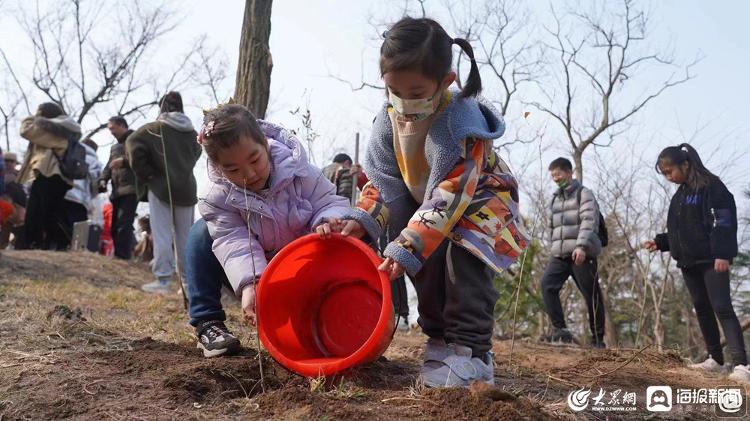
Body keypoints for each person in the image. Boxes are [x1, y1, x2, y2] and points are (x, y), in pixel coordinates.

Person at [337, 17, 528, 387]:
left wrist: (410, 241)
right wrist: (365, 217)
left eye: (416, 91)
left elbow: (453, 190)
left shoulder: (460, 123)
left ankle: (472, 353)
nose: (405, 102)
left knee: (462, 264)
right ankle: (440, 341)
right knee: (423, 267)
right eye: (394, 89)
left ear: (446, 82)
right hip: (426, 211)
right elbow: (383, 182)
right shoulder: (387, 123)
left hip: (480, 204)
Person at [185, 104, 352, 357]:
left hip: (303, 270)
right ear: (217, 167)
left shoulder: (300, 171)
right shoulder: (215, 197)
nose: (249, 174)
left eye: (255, 160)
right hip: (257, 271)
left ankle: (338, 326)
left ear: (265, 143)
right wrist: (252, 283)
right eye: (232, 169)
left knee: (350, 240)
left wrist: (326, 220)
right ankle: (208, 324)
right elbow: (233, 241)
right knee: (200, 234)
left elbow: (330, 202)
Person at [643, 143, 749, 383]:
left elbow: (724, 221)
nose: (669, 177)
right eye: (665, 174)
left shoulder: (712, 186)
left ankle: (742, 364)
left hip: (713, 259)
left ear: (685, 164)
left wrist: (723, 254)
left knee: (722, 307)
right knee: (701, 308)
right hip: (689, 262)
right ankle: (715, 359)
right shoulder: (680, 195)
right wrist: (660, 243)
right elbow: (681, 231)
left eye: (671, 171)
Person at [127, 91, 201, 294]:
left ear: (162, 107)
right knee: (186, 238)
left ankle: (163, 281)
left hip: (161, 188)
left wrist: (148, 175)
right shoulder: (192, 133)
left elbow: (132, 142)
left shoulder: (154, 129)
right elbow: (198, 151)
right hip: (186, 189)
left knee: (161, 234)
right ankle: (187, 284)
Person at [538, 157, 606, 348]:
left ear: (569, 173)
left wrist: (582, 246)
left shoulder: (584, 194)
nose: (556, 178)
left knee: (591, 295)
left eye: (558, 174)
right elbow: (553, 227)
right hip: (560, 254)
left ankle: (598, 340)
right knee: (547, 286)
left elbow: (589, 220)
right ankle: (561, 331)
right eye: (552, 176)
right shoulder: (555, 198)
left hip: (581, 254)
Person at [17, 103, 80, 250]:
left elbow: (26, 130)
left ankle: (34, 242)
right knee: (50, 211)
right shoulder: (65, 129)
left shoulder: (52, 130)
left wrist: (32, 118)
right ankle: (53, 244)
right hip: (59, 176)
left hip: (49, 173)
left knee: (37, 210)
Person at [98, 116, 137, 259]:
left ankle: (123, 255)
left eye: (113, 128)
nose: (111, 132)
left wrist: (124, 162)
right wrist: (103, 179)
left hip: (131, 188)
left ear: (122, 125)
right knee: (114, 224)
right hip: (116, 191)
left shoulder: (135, 139)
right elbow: (108, 166)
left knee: (124, 223)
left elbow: (141, 158)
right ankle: (118, 254)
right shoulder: (114, 147)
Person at [61, 138, 103, 249]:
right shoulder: (95, 161)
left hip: (64, 193)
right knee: (77, 230)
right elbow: (96, 182)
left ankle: (57, 247)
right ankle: (73, 249)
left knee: (61, 225)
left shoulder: (70, 153)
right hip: (81, 199)